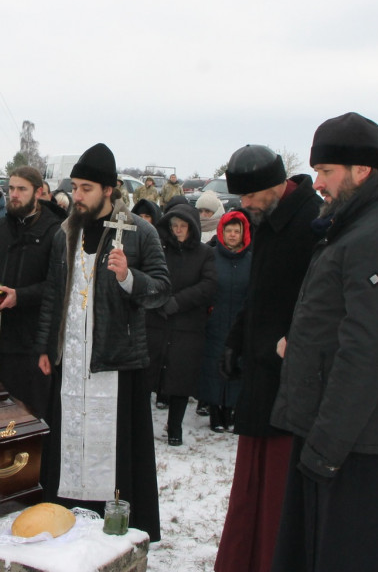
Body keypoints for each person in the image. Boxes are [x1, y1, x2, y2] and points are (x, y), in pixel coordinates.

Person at [269, 113, 378, 572]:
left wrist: (325, 447)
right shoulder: (359, 225)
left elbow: (368, 353)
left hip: (358, 444)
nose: (317, 182)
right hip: (338, 434)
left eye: (326, 172)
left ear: (362, 170)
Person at [34, 142, 171, 541]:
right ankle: (64, 518)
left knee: (115, 451)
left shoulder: (139, 232)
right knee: (67, 442)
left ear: (108, 190)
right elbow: (53, 293)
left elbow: (162, 290)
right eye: (75, 187)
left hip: (115, 363)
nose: (76, 196)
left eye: (86, 188)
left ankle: (115, 528)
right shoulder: (65, 231)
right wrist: (46, 346)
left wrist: (129, 277)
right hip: (71, 363)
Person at [214, 145, 322, 572]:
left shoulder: (312, 223)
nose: (245, 206)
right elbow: (258, 292)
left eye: (251, 196)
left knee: (279, 491)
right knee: (252, 488)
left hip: (290, 380)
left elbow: (315, 306)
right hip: (261, 375)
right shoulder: (270, 219)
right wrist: (235, 340)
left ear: (275, 185)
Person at [0, 166, 64, 418]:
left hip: (33, 342)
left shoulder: (56, 232)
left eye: (21, 189)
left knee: (29, 414)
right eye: (11, 188)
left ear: (38, 192)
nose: (14, 194)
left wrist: (20, 296)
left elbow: (58, 285)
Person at [147, 202, 216, 445]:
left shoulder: (205, 253)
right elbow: (149, 275)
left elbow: (208, 286)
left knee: (181, 376)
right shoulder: (159, 250)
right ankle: (143, 425)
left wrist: (178, 302)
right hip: (156, 321)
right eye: (174, 225)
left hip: (187, 325)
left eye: (183, 226)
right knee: (149, 373)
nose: (177, 230)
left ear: (192, 228)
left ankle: (175, 426)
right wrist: (158, 298)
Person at [199, 210, 251, 434]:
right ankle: (215, 411)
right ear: (221, 232)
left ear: (243, 233)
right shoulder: (211, 256)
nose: (232, 235)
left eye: (236, 231)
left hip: (240, 321)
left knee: (236, 364)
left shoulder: (252, 259)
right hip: (216, 319)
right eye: (228, 230)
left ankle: (231, 409)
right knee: (213, 365)